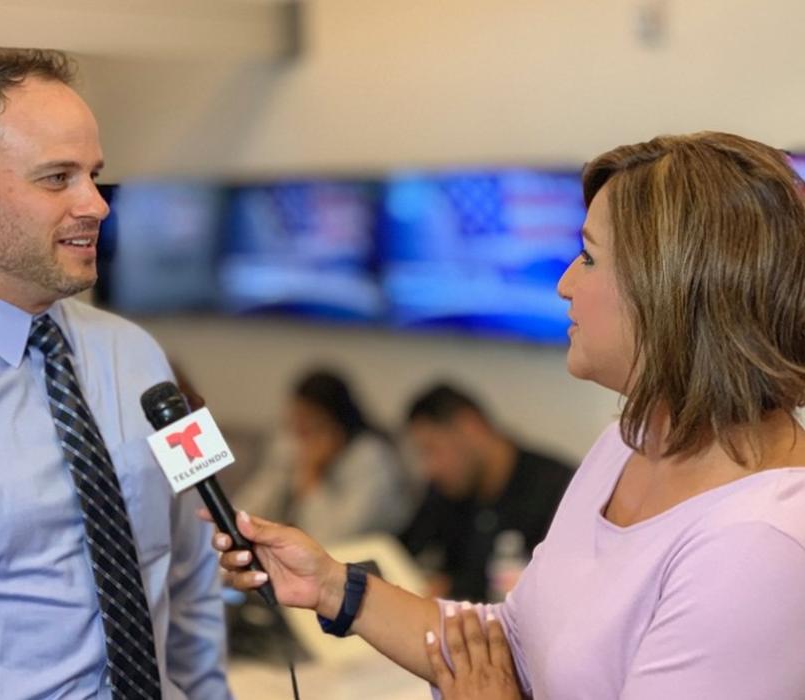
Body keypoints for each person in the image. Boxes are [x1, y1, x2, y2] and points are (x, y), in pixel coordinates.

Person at [211, 132, 805, 699]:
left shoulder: (756, 547)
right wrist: (331, 585)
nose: (564, 284)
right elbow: (505, 646)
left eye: (589, 258)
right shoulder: (628, 443)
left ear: (672, 292)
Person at [0, 50, 231, 699]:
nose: (97, 205)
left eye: (94, 175)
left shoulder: (141, 356)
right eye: (58, 178)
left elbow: (194, 571)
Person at [399, 383, 573, 600]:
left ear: (470, 427)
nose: (430, 469)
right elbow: (404, 548)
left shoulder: (558, 491)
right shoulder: (447, 490)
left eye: (432, 449)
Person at [234, 368, 414, 543]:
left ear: (336, 423)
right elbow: (254, 501)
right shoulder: (292, 443)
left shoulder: (371, 458)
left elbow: (334, 538)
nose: (299, 432)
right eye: (295, 421)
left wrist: (312, 475)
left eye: (310, 423)